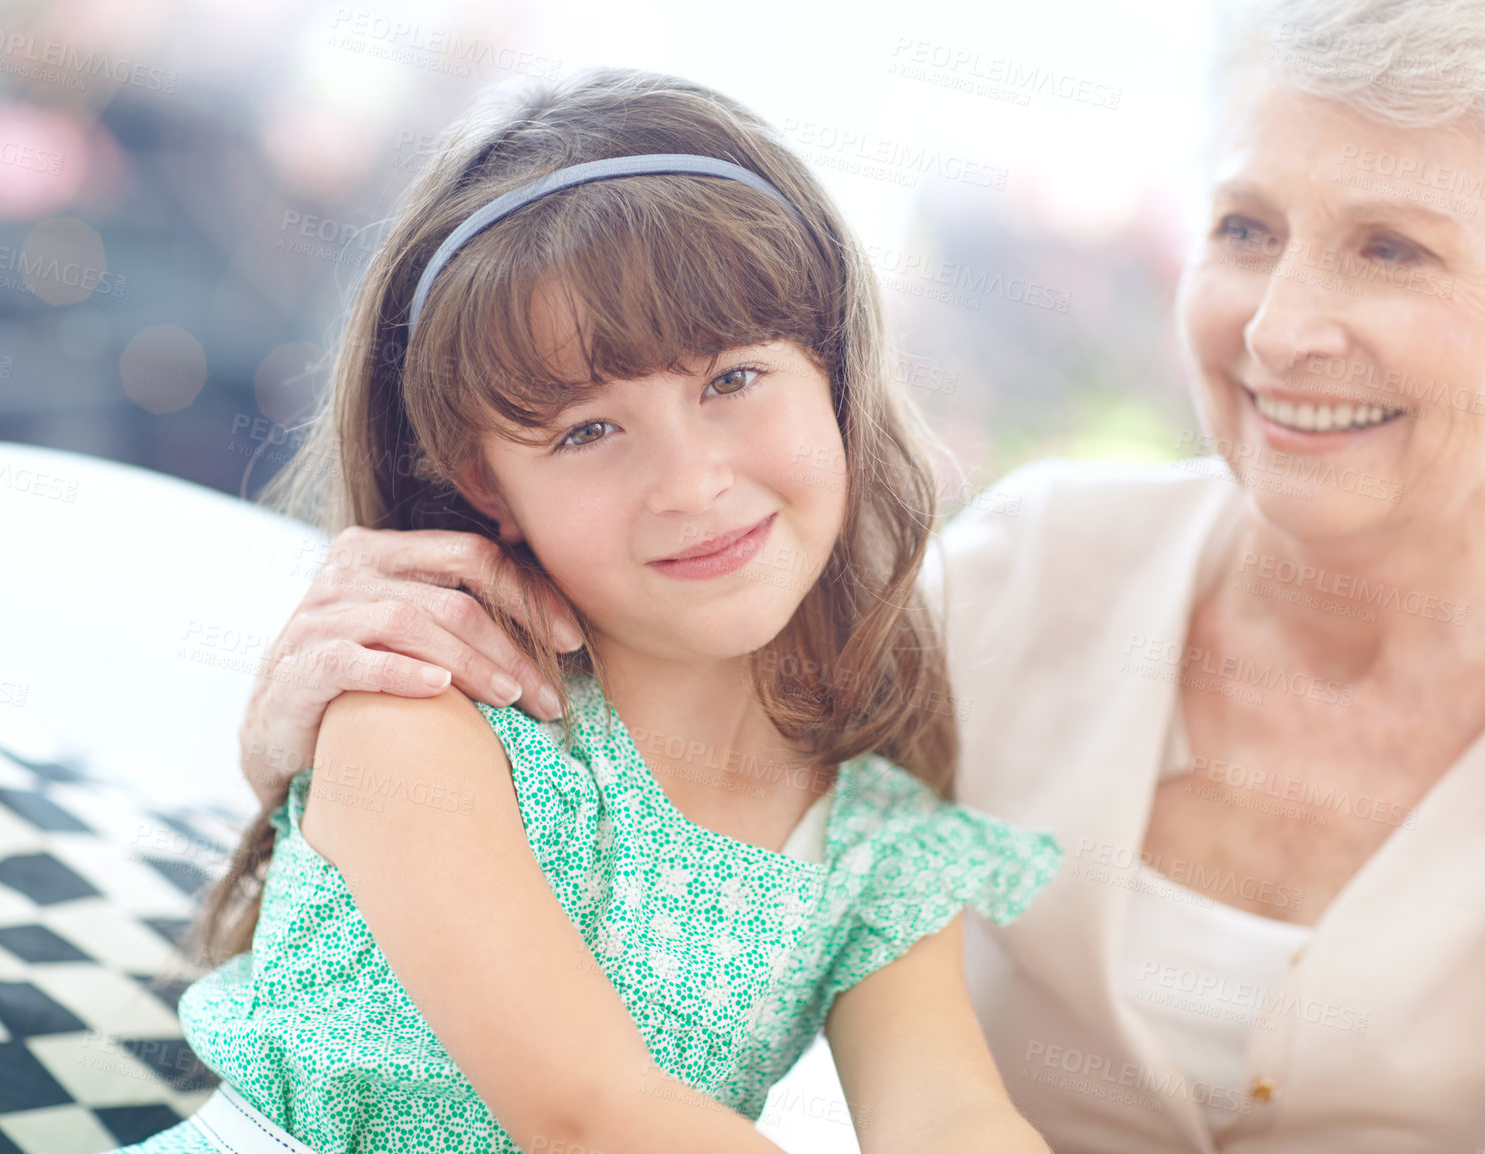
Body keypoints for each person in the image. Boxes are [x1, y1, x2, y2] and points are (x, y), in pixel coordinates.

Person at [235, 1, 1485, 1150]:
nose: (1282, 329)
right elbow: (710, 657)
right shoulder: (1023, 581)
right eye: (1245, 229)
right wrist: (293, 736)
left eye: (1393, 249)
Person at [112, 67, 1062, 1154]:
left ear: (836, 375)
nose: (690, 481)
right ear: (484, 484)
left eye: (733, 379)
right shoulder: (425, 711)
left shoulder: (878, 838)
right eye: (585, 432)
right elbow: (588, 1115)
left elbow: (949, 1114)